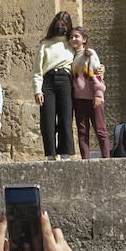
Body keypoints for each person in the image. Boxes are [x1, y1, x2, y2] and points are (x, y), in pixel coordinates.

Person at [34, 10, 76, 160]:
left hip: (65, 80)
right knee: (48, 119)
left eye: (64, 25)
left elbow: (83, 56)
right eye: (58, 25)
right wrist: (37, 90)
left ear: (68, 26)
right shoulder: (45, 44)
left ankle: (65, 154)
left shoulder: (71, 44)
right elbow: (37, 70)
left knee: (66, 118)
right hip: (48, 82)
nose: (60, 27)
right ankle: (51, 154)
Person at [69, 27, 110, 159]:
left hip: (93, 98)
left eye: (76, 36)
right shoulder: (71, 56)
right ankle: (85, 160)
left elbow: (96, 74)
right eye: (71, 37)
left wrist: (98, 94)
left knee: (100, 129)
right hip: (78, 99)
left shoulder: (89, 53)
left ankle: (106, 158)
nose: (73, 39)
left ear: (84, 39)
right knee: (82, 131)